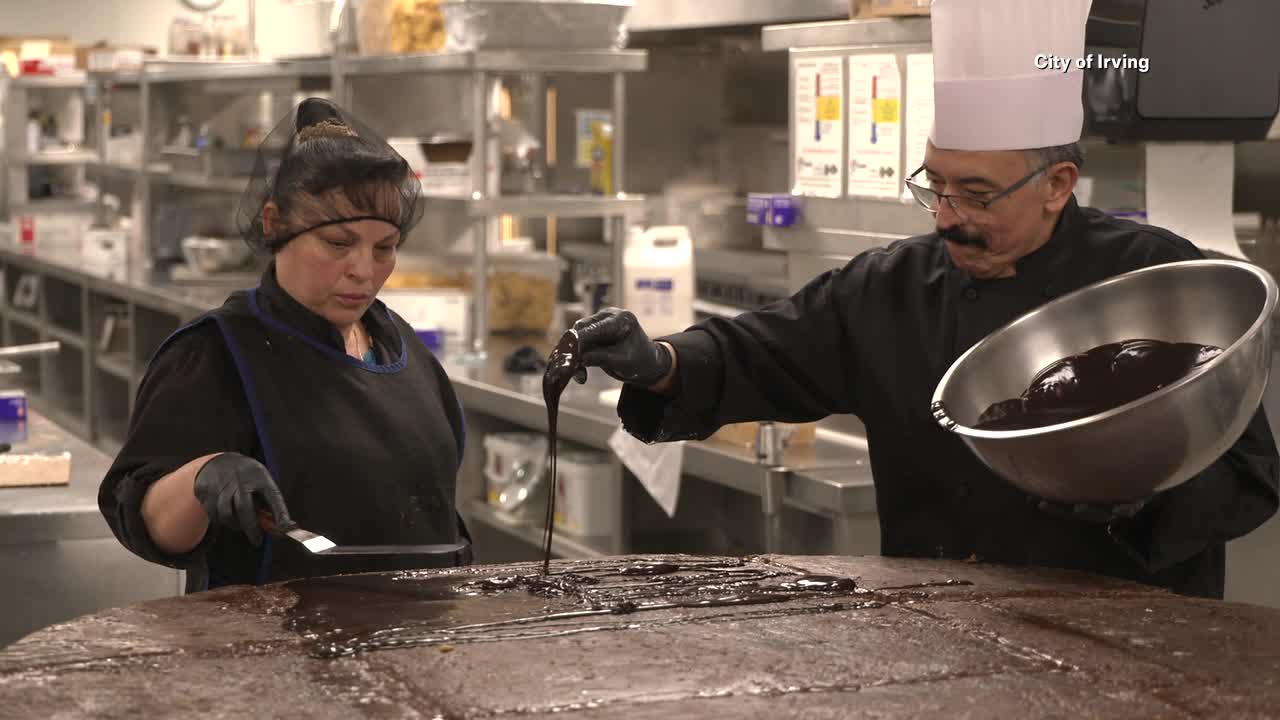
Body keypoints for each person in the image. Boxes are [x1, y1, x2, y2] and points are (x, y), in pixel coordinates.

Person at [574, 0, 1279, 599]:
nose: (945, 216)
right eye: (934, 185)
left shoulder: (1157, 283)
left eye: (976, 195)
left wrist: (1143, 497)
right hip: (939, 642)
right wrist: (660, 360)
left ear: (1058, 183)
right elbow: (760, 354)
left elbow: (1250, 473)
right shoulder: (889, 288)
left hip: (1127, 650)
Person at [99, 98, 471, 593]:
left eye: (384, 248)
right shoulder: (218, 355)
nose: (364, 269)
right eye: (338, 244)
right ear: (275, 224)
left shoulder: (404, 351)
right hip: (273, 651)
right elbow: (143, 523)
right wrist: (201, 477)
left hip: (421, 644)